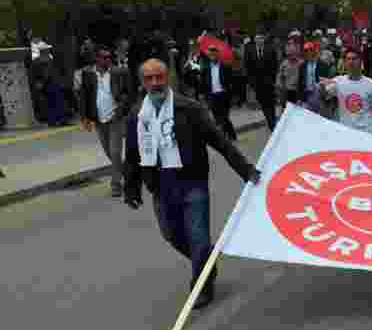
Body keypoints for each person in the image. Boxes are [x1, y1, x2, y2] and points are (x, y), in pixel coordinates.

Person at [123, 59, 261, 310]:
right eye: (149, 78)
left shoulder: (190, 108)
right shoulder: (136, 115)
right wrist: (131, 187)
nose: (155, 83)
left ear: (168, 78)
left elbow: (219, 141)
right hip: (161, 188)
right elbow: (132, 153)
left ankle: (202, 285)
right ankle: (207, 263)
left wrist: (246, 170)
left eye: (160, 77)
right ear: (142, 83)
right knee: (172, 235)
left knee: (198, 238)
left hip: (192, 184)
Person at [79, 47, 134, 197]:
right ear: (97, 59)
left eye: (109, 57)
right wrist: (84, 117)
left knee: (115, 152)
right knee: (108, 152)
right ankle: (129, 173)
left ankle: (116, 185)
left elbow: (128, 94)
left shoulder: (119, 72)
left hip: (115, 118)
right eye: (104, 57)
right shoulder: (88, 74)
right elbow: (84, 96)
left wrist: (121, 108)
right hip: (98, 119)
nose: (107, 60)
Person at [319, 49, 372, 136]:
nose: (351, 61)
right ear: (345, 63)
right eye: (348, 59)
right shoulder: (337, 81)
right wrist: (322, 87)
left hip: (368, 132)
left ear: (360, 61)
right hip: (346, 132)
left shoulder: (371, 84)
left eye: (354, 59)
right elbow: (325, 97)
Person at [200, 45, 236, 139]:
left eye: (214, 54)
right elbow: (203, 82)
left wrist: (231, 92)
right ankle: (231, 134)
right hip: (212, 95)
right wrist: (203, 94)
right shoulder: (206, 68)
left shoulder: (225, 66)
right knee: (217, 117)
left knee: (224, 116)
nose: (213, 56)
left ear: (218, 54)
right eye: (211, 54)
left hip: (223, 94)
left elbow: (231, 80)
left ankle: (224, 136)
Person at [245, 32, 279, 131]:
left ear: (264, 39)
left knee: (271, 105)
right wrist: (251, 83)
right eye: (257, 38)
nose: (259, 40)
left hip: (269, 83)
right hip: (257, 84)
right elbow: (247, 67)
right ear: (255, 40)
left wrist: (273, 80)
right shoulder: (250, 51)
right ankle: (271, 122)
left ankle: (272, 124)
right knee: (264, 105)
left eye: (261, 38)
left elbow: (275, 66)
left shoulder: (270, 49)